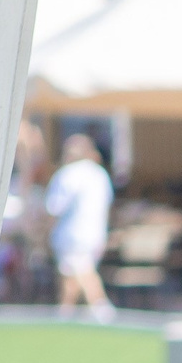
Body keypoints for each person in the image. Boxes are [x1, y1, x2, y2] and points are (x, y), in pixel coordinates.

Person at [44, 133, 114, 317]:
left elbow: (54, 208)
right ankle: (65, 312)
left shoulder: (67, 174)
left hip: (71, 234)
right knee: (71, 274)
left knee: (83, 272)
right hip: (95, 233)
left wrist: (46, 233)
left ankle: (102, 311)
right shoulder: (100, 174)